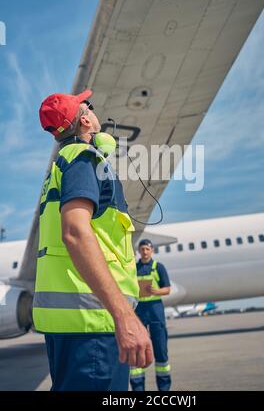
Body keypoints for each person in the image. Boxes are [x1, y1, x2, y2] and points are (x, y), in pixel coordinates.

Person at [32, 90, 153, 391]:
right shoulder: (83, 159)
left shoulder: (63, 165)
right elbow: (75, 232)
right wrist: (123, 315)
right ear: (85, 119)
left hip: (74, 326)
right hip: (93, 324)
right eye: (90, 106)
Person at [130, 239, 172, 391]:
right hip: (139, 311)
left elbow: (167, 289)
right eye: (142, 249)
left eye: (147, 249)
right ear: (139, 251)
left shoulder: (158, 267)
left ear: (152, 250)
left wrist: (156, 291)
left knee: (160, 350)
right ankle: (138, 389)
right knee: (137, 350)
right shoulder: (134, 268)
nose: (145, 252)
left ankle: (164, 389)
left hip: (155, 311)